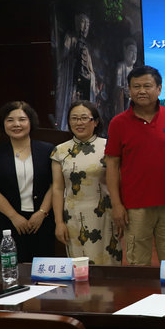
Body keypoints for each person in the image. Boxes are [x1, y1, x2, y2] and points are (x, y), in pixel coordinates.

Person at [105, 65, 165, 266]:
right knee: (138, 264)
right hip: (134, 206)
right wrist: (117, 204)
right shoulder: (118, 123)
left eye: (147, 86)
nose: (141, 91)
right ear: (129, 90)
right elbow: (112, 165)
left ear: (159, 89)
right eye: (136, 86)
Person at [0, 101, 55, 262]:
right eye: (10, 120)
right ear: (3, 124)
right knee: (11, 270)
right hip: (7, 223)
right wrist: (14, 216)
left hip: (42, 222)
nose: (16, 124)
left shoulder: (47, 150)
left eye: (22, 119)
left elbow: (55, 185)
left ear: (31, 122)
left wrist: (42, 212)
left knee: (42, 269)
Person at [50, 101, 120, 264]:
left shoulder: (109, 146)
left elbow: (119, 182)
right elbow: (58, 189)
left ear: (95, 122)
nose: (79, 123)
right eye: (74, 118)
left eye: (84, 118)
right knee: (79, 266)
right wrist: (59, 222)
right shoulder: (60, 151)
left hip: (106, 215)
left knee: (108, 264)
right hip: (73, 216)